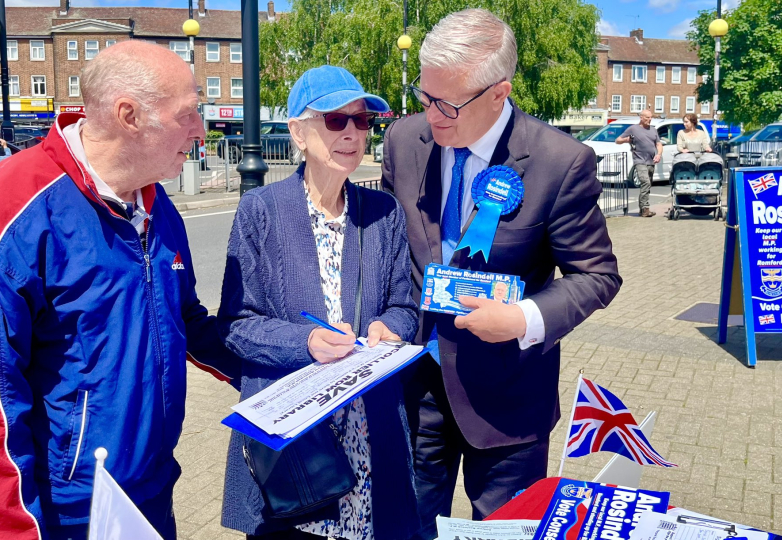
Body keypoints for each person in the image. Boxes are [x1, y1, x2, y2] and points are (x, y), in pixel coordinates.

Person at [381, 9, 622, 536]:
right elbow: (388, 248)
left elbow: (598, 275)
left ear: (498, 92)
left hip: (509, 402)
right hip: (415, 386)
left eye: (446, 104)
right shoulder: (403, 140)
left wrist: (523, 318)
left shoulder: (561, 161)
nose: (432, 116)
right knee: (409, 526)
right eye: (424, 97)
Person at [0, 41, 241, 539]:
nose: (201, 130)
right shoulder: (17, 205)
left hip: (152, 491)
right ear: (129, 115)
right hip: (64, 510)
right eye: (188, 114)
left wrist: (279, 375)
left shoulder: (157, 204)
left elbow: (185, 319)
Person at [218, 65, 420, 540]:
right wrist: (305, 340)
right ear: (298, 132)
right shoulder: (261, 211)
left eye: (363, 121)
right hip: (295, 451)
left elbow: (404, 307)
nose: (352, 133)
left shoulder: (383, 212)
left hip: (370, 436)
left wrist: (390, 328)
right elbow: (236, 325)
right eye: (335, 120)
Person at [616, 109, 662, 217]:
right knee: (645, 182)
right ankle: (645, 209)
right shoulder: (633, 129)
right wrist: (626, 140)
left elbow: (659, 144)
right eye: (647, 117)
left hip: (651, 161)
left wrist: (658, 154)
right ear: (641, 117)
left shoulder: (653, 130)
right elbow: (617, 140)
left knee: (647, 185)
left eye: (651, 117)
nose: (649, 120)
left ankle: (642, 209)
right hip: (639, 160)